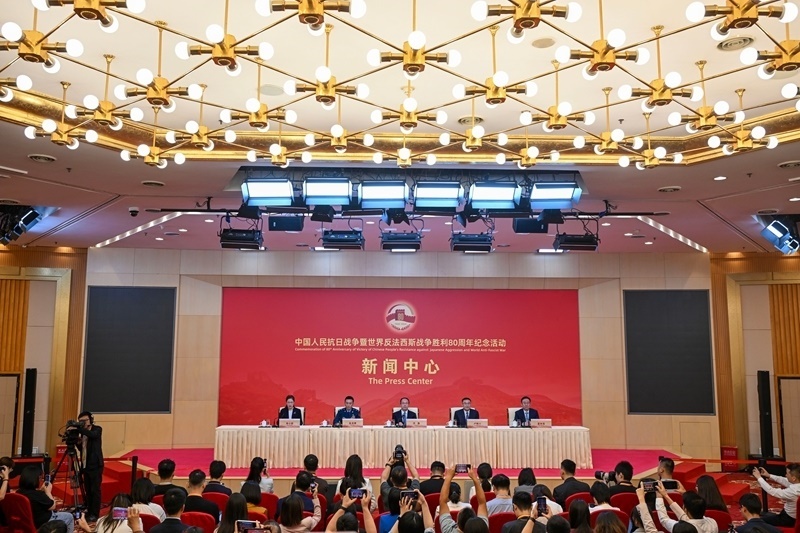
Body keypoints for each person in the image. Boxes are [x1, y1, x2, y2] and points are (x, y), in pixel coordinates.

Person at [16, 465, 75, 533]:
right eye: (40, 478)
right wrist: (48, 492)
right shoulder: (38, 495)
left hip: (26, 521)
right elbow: (52, 506)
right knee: (69, 516)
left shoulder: (18, 492)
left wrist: (41, 491)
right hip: (43, 522)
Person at [438, 464, 489, 533]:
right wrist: (475, 479)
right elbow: (482, 503)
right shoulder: (482, 528)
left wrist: (448, 477)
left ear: (457, 523)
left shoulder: (449, 531)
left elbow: (443, 502)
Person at [75, 411, 103, 522]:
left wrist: (79, 429)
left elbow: (93, 435)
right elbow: (83, 449)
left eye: (85, 420)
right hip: (85, 465)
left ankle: (95, 514)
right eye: (80, 421)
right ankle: (89, 511)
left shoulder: (97, 429)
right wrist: (77, 442)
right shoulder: (83, 433)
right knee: (88, 490)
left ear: (90, 419)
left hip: (95, 465)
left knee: (95, 490)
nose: (83, 423)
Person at [752, 463, 799, 527]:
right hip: (793, 515)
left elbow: (772, 491)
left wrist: (759, 478)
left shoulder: (793, 491)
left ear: (793, 478)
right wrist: (769, 475)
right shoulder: (797, 484)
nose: (785, 475)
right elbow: (785, 480)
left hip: (789, 519)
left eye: (787, 474)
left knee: (758, 521)